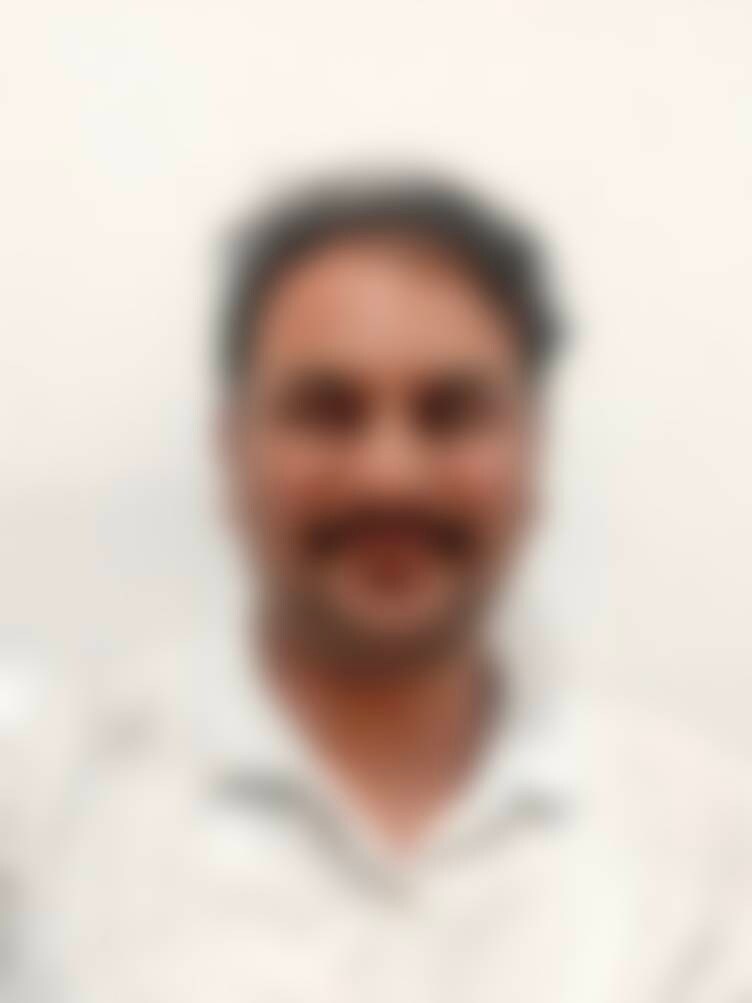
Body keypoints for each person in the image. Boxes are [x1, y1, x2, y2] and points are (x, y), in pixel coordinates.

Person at [4, 174, 751, 1002]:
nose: (388, 476)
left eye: (450, 412)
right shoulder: (37, 815)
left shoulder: (708, 851)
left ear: (533, 448)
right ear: (231, 448)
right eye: (327, 410)